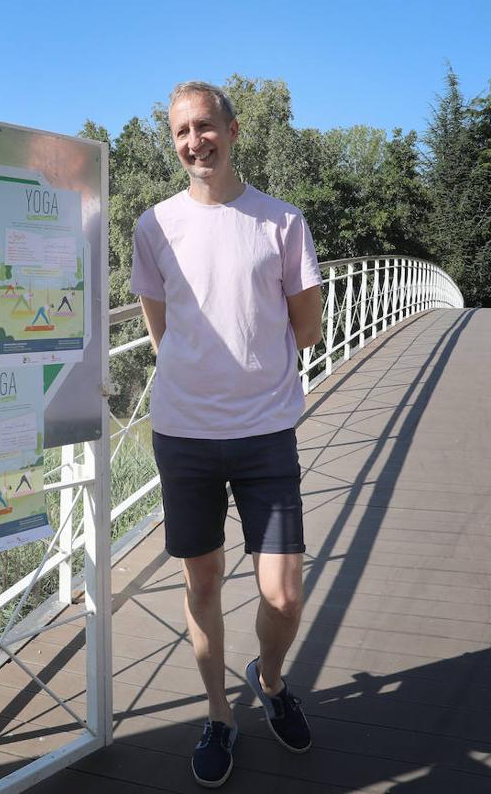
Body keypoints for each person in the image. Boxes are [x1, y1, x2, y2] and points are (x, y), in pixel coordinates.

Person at [130, 81, 323, 787]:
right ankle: (218, 713)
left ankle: (269, 682)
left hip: (267, 432)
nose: (193, 142)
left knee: (283, 595)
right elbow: (161, 330)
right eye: (181, 131)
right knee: (202, 580)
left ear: (234, 131)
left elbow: (307, 327)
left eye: (205, 126)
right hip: (184, 436)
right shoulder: (154, 226)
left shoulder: (281, 222)